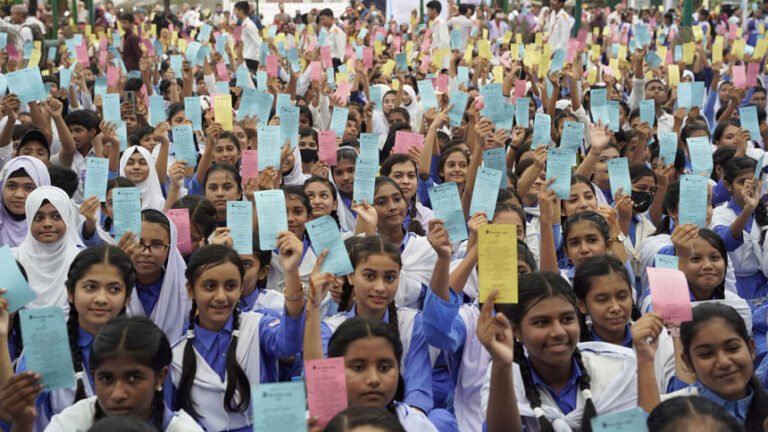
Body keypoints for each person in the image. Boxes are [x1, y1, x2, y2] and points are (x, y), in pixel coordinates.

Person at [480, 272, 639, 432]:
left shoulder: (617, 371)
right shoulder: (505, 379)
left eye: (567, 319)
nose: (558, 332)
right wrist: (501, 364)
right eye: (542, 323)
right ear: (516, 331)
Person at [170, 244, 305, 431]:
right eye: (209, 286)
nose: (221, 296)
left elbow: (289, 345)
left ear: (241, 287)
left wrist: (291, 273)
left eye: (230, 286)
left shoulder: (258, 326)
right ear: (191, 290)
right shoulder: (176, 355)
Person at [0, 245, 135, 430]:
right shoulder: (48, 343)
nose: (101, 298)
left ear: (127, 297)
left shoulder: (140, 344)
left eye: (114, 289)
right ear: (70, 293)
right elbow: (11, 416)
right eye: (90, 287)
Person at [1, 316, 204, 431]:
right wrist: (23, 423)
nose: (118, 394)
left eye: (134, 378)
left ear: (161, 376)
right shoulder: (73, 422)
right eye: (106, 378)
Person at [11, 186, 84, 310]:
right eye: (39, 218)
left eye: (56, 217)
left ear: (67, 218)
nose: (47, 224)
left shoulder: (82, 261)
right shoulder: (12, 260)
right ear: (29, 221)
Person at [233, 1, 261, 71]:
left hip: (250, 59)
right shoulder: (243, 25)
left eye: (235, 11)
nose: (234, 13)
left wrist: (268, 59)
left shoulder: (249, 25)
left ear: (241, 11)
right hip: (244, 58)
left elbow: (258, 42)